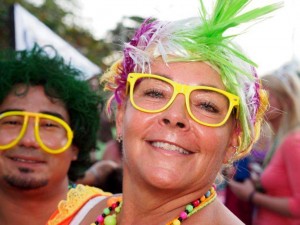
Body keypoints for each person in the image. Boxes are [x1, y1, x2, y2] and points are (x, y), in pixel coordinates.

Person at [76, 1, 280, 224]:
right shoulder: (77, 211)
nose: (175, 116)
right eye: (156, 93)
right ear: (122, 112)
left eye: (206, 106)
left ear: (233, 141)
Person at [0, 45, 111, 225]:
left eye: (49, 125)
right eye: (12, 122)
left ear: (75, 146)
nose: (28, 140)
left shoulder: (117, 215)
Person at [229, 62, 300, 225]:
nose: (259, 101)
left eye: (267, 96)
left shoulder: (293, 142)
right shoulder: (279, 140)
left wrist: (252, 196)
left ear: (286, 101)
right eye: (258, 95)